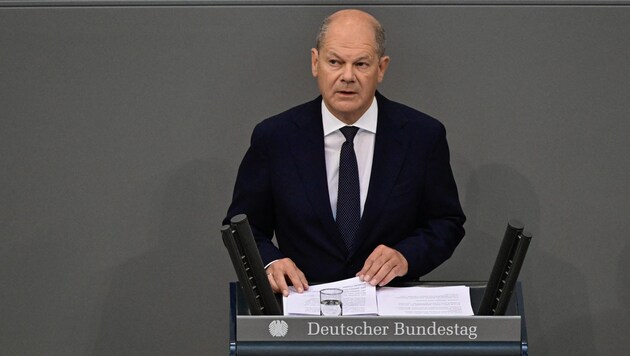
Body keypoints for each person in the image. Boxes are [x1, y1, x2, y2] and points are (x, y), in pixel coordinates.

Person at [224, 9, 465, 296]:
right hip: (304, 310)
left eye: (361, 64)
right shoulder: (275, 137)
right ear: (316, 63)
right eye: (335, 62)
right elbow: (241, 227)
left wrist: (405, 257)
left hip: (390, 315)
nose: (347, 76)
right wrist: (270, 262)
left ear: (382, 68)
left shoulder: (422, 136)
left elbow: (446, 223)